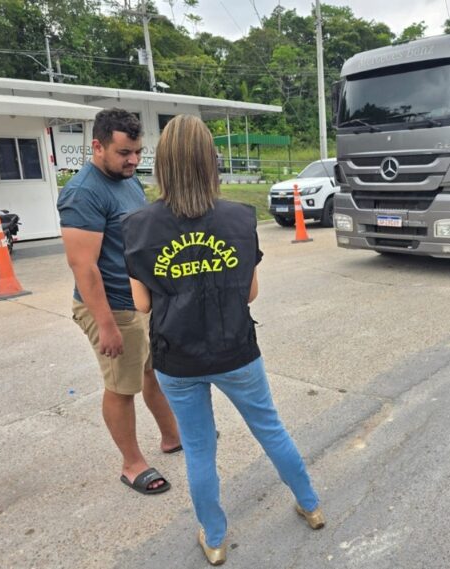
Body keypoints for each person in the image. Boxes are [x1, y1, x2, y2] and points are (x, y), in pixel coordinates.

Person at [121, 115, 324, 566]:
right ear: (211, 163)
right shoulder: (238, 217)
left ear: (163, 165)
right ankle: (310, 504)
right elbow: (250, 292)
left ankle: (214, 538)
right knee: (270, 430)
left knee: (198, 449)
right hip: (236, 349)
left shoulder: (139, 227)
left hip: (176, 357)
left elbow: (141, 305)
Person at [57, 108, 180, 496]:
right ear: (97, 146)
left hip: (138, 302)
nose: (133, 161)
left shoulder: (129, 183)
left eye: (138, 152)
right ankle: (132, 464)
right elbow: (84, 267)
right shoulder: (83, 192)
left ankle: (172, 437)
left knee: (151, 373)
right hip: (110, 307)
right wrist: (106, 324)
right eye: (124, 152)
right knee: (121, 385)